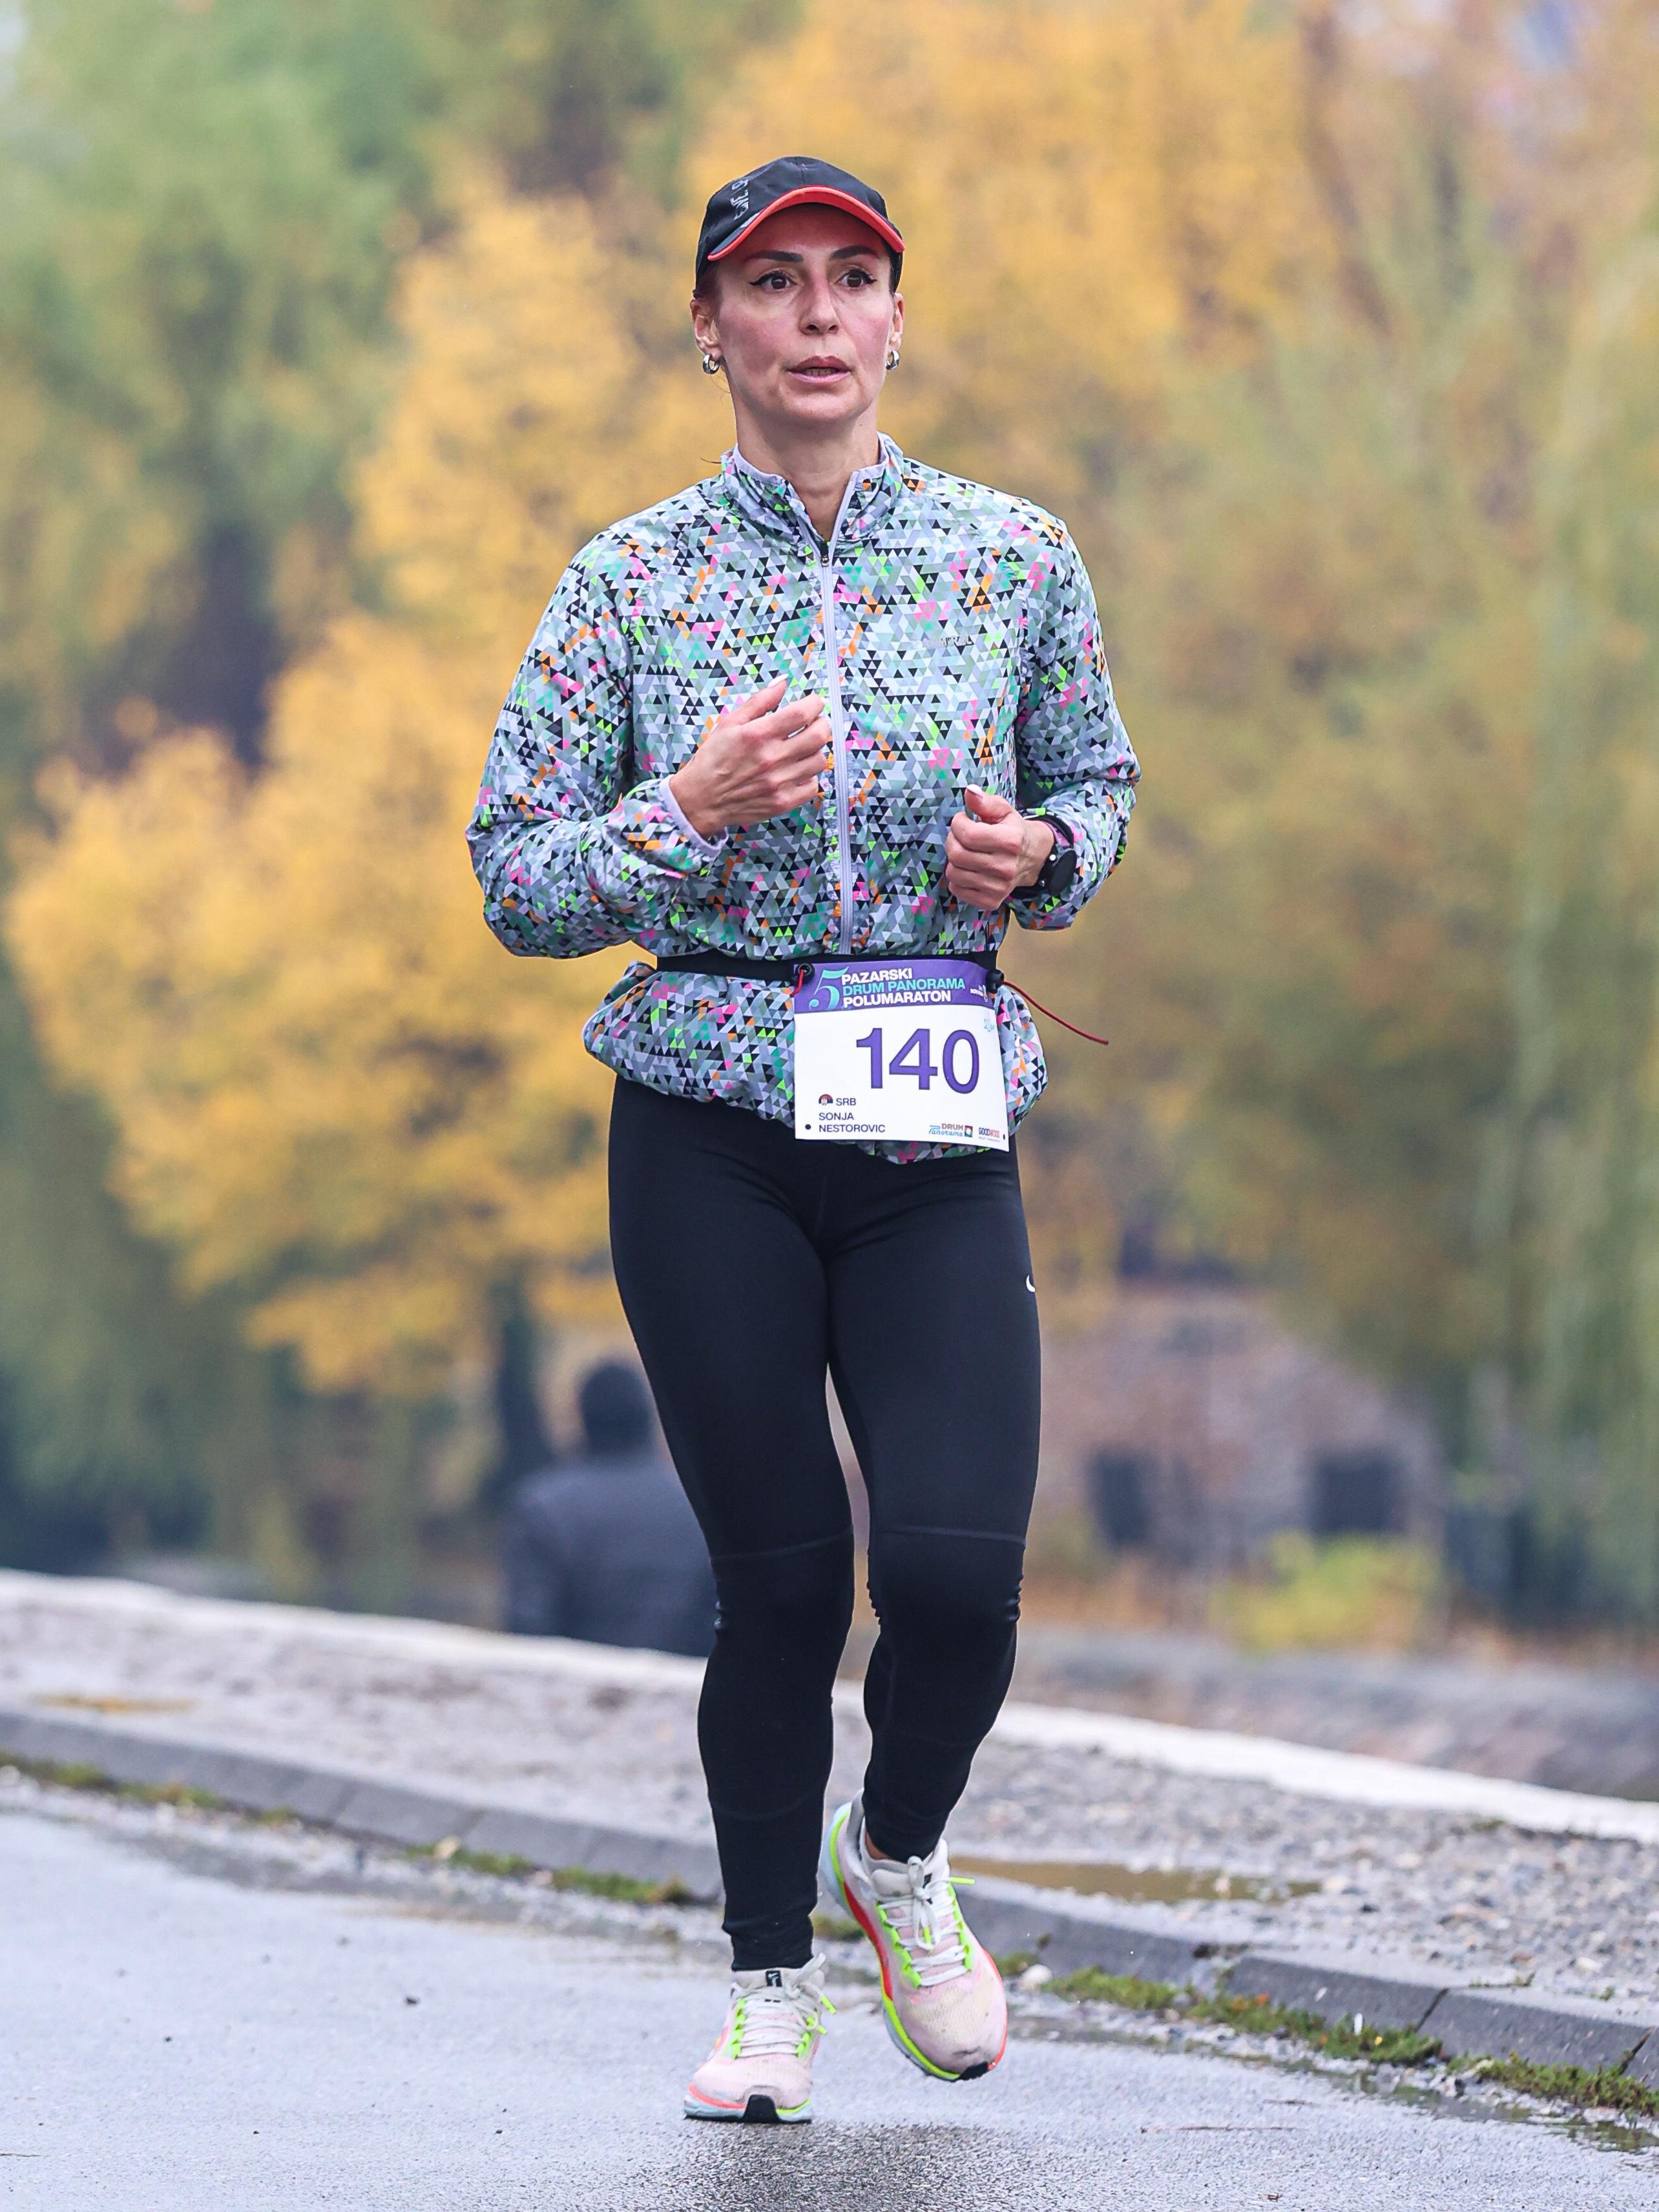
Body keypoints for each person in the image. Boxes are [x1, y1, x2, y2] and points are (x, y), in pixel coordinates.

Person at [468, 152, 1138, 2123]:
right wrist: (682, 808)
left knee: (956, 1578)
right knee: (780, 1585)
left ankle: (898, 1853)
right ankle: (769, 1990)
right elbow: (516, 877)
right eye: (773, 283)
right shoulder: (628, 580)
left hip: (930, 1124)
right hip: (710, 1130)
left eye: (853, 277)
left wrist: (1043, 853)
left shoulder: (1011, 558)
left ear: (898, 318)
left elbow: (1100, 784)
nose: (818, 314)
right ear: (712, 326)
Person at [501, 1361, 715, 1660]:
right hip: (686, 1685)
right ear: (648, 1418)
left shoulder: (543, 1507)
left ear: (584, 1418)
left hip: (574, 1686)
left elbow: (530, 1635)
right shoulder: (700, 1506)